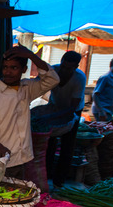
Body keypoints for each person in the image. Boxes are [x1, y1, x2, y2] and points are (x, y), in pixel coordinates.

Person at [0, 45, 60, 181]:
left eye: (14, 68)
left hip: (25, 157)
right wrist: (0, 148)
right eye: (5, 67)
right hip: (3, 160)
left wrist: (31, 56)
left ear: (24, 70)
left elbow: (53, 79)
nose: (8, 72)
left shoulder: (27, 88)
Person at [31, 51, 86, 189]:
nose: (65, 70)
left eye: (69, 68)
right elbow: (36, 86)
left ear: (76, 67)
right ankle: (46, 176)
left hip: (72, 111)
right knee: (48, 144)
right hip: (54, 106)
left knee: (67, 146)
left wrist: (48, 117)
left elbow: (72, 108)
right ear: (60, 62)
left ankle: (59, 181)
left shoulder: (79, 78)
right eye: (63, 66)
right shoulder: (53, 70)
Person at [86, 57, 113, 183]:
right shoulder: (105, 78)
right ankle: (98, 162)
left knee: (108, 136)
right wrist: (101, 110)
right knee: (101, 136)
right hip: (101, 111)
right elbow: (96, 94)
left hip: (109, 110)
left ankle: (105, 165)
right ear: (111, 65)